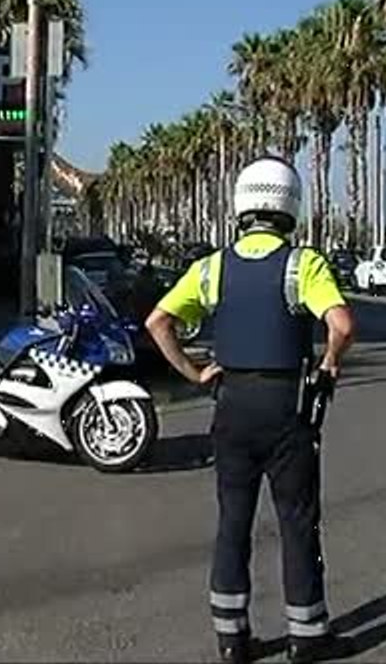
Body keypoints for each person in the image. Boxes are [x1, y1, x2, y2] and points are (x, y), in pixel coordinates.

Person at [145, 155, 355, 664]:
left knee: (233, 522)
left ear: (241, 206)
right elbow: (342, 326)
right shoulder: (303, 264)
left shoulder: (212, 267)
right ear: (290, 206)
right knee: (296, 521)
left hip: (231, 404)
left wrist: (196, 374)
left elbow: (158, 323)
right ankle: (307, 636)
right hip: (286, 407)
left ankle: (232, 640)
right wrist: (328, 365)